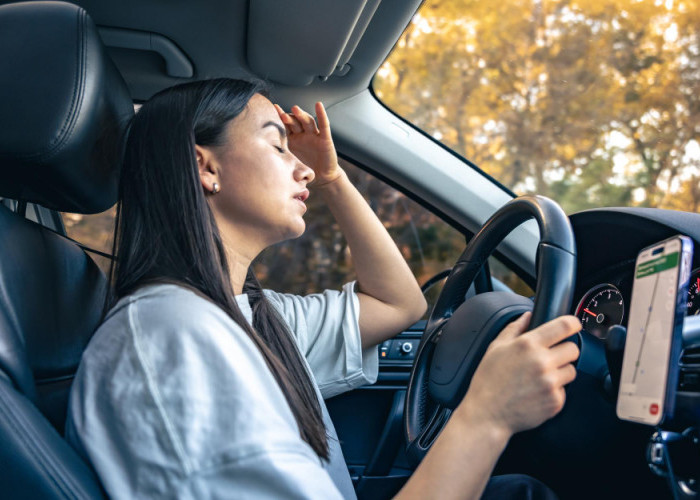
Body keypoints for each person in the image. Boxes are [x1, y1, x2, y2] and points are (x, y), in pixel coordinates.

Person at [65, 78, 581, 499]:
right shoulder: (174, 338)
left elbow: (398, 303)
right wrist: (487, 416)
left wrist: (333, 179)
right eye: (276, 143)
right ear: (205, 166)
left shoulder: (248, 316)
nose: (303, 166)